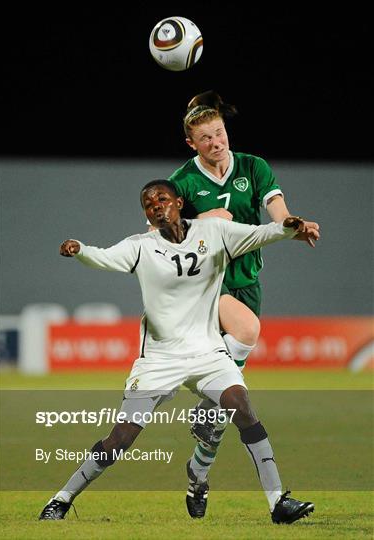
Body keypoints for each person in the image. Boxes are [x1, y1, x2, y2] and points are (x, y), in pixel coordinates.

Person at [39, 180, 315, 524]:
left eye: (162, 199)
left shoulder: (214, 231)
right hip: (159, 361)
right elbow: (103, 258)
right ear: (146, 214)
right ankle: (62, 498)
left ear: (179, 202)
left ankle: (278, 503)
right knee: (121, 439)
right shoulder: (141, 246)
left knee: (243, 409)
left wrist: (287, 228)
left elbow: (261, 234)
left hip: (207, 353)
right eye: (148, 203)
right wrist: (80, 249)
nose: (156, 205)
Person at [167, 91, 320, 504]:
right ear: (192, 144)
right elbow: (161, 232)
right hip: (204, 286)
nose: (216, 143)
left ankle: (198, 469)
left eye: (219, 134)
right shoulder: (182, 181)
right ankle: (205, 409)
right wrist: (200, 219)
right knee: (247, 331)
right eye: (206, 138)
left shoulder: (252, 166)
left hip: (246, 282)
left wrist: (291, 224)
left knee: (229, 401)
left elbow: (275, 204)